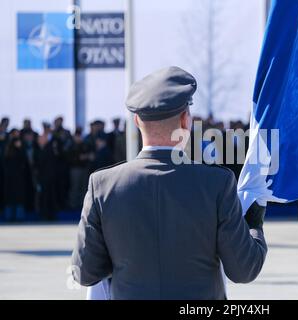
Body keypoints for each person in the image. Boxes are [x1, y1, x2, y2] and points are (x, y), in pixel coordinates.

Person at [71, 66, 267, 300]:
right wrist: (254, 224)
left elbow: (85, 273)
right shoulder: (217, 184)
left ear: (136, 121)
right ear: (186, 121)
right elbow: (244, 270)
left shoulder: (102, 185)